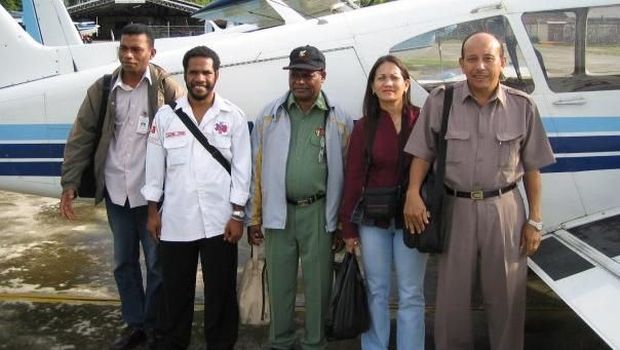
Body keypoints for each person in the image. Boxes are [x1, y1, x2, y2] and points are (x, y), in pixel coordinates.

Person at [403, 32, 556, 350]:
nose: (480, 66)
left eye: (488, 58)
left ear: (502, 62)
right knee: (452, 300)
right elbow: (422, 153)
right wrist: (413, 193)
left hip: (504, 208)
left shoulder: (522, 106)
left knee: (506, 296)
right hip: (454, 208)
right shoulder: (441, 101)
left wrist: (536, 220)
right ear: (461, 64)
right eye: (472, 59)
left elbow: (532, 168)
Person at [60, 23, 183, 350]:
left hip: (153, 198)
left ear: (151, 53)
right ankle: (136, 325)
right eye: (124, 49)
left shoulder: (167, 89)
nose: (128, 55)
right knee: (123, 263)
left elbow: (185, 139)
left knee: (157, 264)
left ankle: (155, 323)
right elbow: (81, 135)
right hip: (117, 192)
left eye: (136, 50)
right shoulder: (102, 88)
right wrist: (70, 182)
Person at [141, 45, 251, 350]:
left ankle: (220, 344)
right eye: (193, 72)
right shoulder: (166, 116)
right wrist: (152, 211)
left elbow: (243, 170)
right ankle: (172, 343)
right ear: (185, 75)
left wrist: (238, 215)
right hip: (176, 220)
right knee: (174, 291)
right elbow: (154, 168)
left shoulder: (233, 116)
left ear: (216, 75)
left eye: (206, 72)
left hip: (221, 222)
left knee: (221, 291)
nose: (199, 78)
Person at [246, 45, 353, 350]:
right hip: (278, 213)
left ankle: (314, 342)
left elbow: (347, 174)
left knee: (320, 286)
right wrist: (254, 217)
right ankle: (280, 341)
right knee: (279, 284)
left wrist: (342, 224)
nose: (300, 81)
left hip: (318, 213)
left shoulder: (339, 118)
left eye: (308, 74)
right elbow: (256, 168)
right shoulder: (270, 115)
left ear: (323, 76)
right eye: (295, 74)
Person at [339, 55, 428, 350]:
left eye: (394, 77)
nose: (388, 83)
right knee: (376, 290)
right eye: (381, 78)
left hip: (412, 221)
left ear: (406, 84)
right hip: (373, 222)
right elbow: (353, 178)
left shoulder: (423, 121)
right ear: (373, 87)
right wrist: (348, 229)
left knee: (411, 292)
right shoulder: (365, 127)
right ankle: (374, 346)